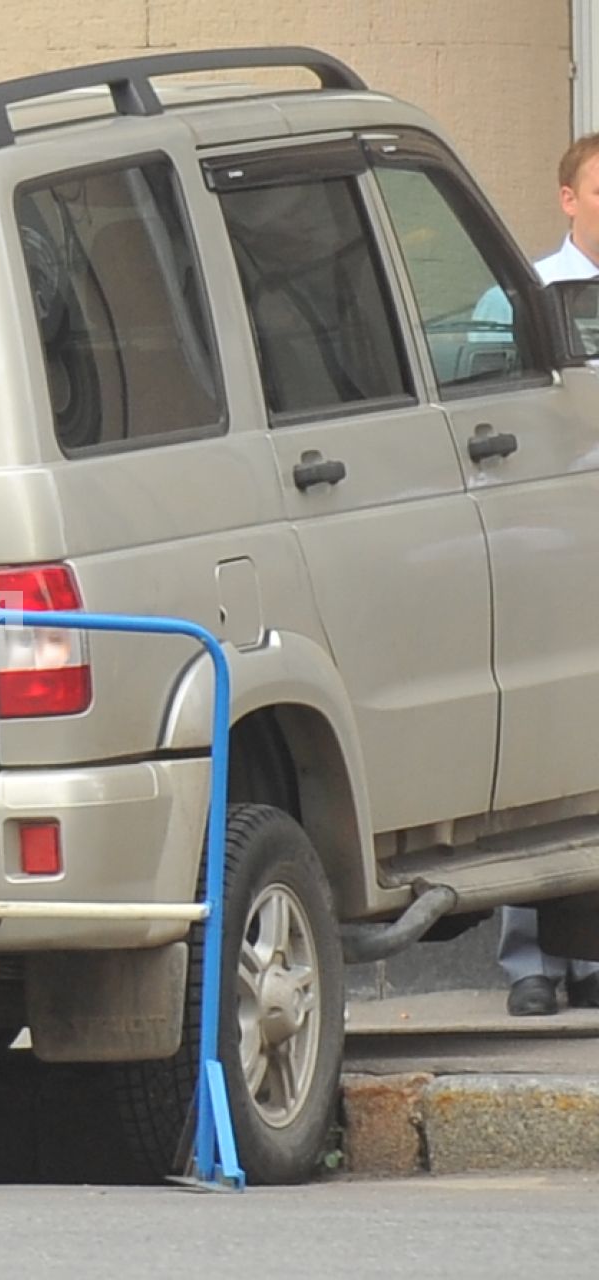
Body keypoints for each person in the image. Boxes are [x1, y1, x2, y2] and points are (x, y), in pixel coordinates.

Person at [472, 133, 599, 1016]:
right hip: (544, 555)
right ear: (567, 197)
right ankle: (529, 963)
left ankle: (591, 959)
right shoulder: (521, 295)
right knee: (542, 752)